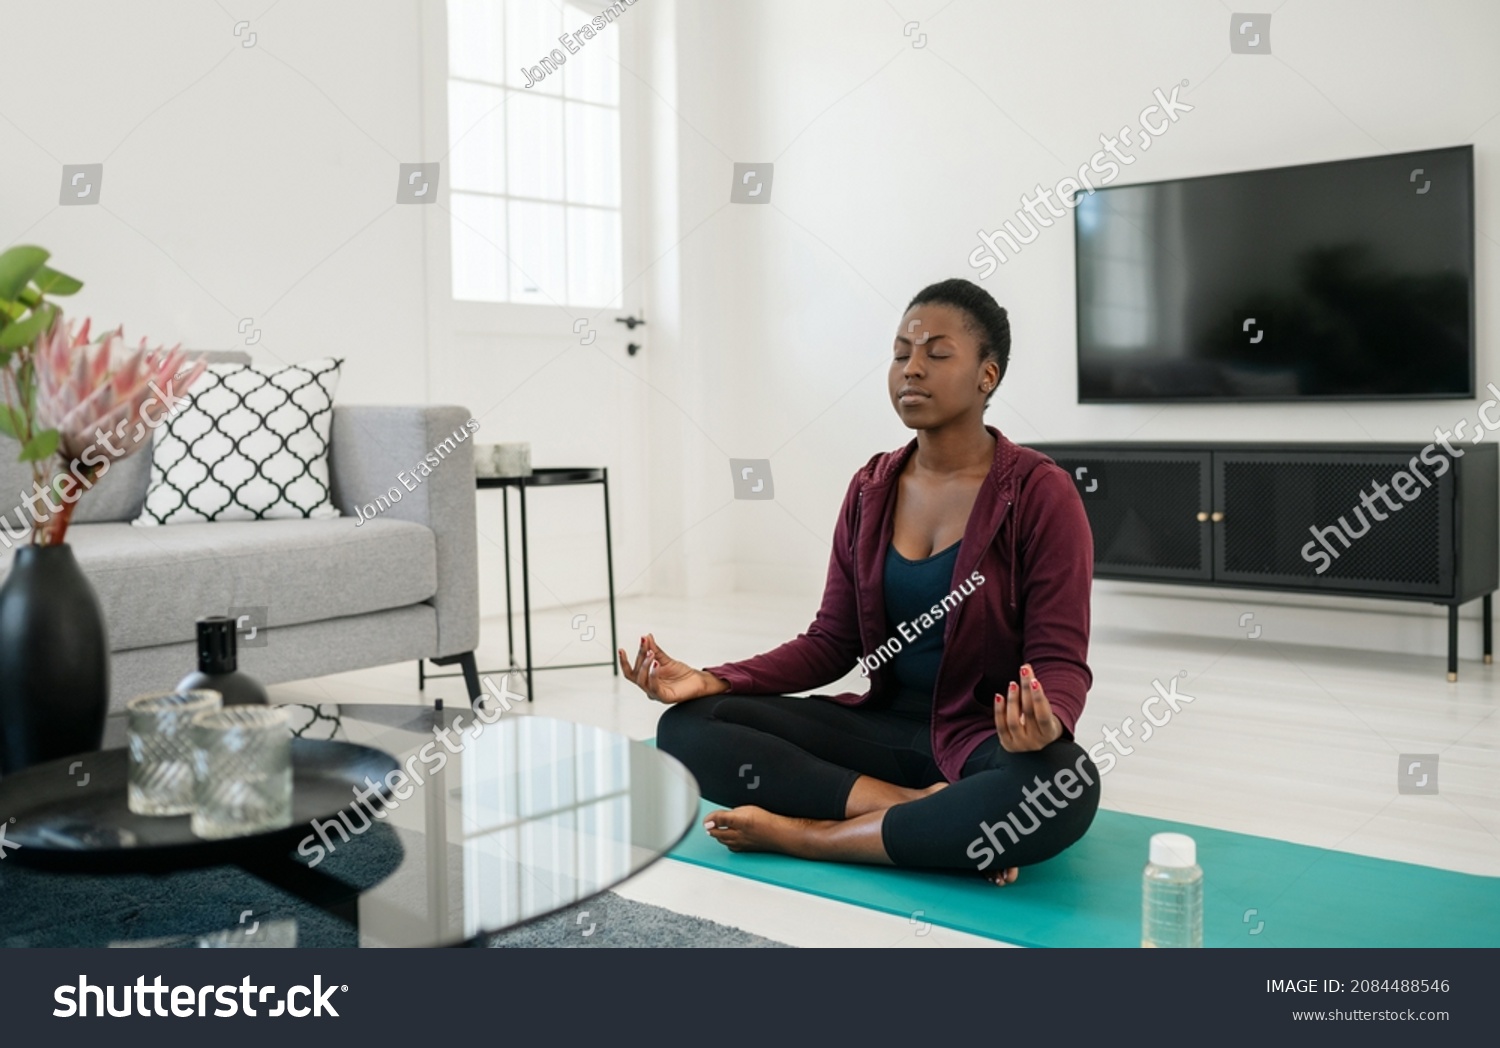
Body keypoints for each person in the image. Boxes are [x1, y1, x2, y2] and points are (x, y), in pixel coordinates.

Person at [618, 278, 1099, 886]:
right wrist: (714, 678)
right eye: (901, 354)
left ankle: (810, 837)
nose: (911, 370)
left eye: (937, 353)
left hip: (981, 740)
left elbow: (1060, 656)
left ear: (987, 376)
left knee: (1065, 787)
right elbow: (830, 642)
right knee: (688, 728)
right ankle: (920, 815)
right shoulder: (872, 488)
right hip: (879, 731)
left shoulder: (1038, 493)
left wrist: (1047, 719)